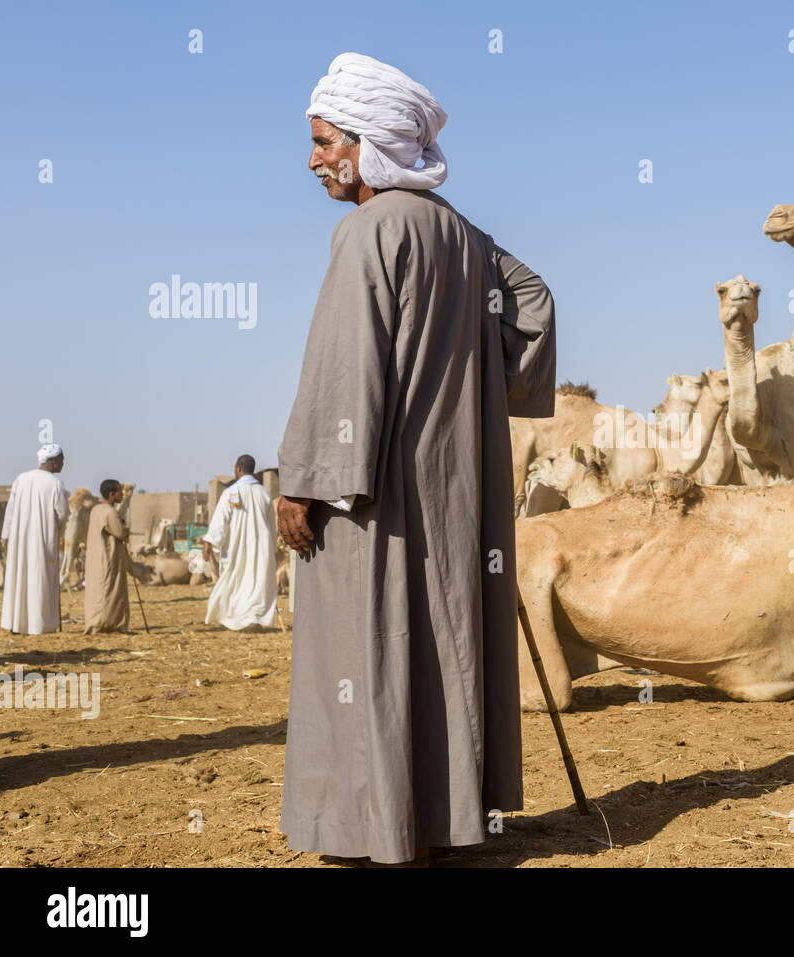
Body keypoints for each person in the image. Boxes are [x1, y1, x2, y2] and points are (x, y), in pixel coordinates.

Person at [276, 52, 556, 864]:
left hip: (376, 496)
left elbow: (344, 366)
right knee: (441, 644)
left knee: (367, 649)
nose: (314, 158)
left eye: (326, 141)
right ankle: (447, 817)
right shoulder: (465, 236)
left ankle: (372, 827)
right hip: (455, 491)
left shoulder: (365, 230)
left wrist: (305, 483)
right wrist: (479, 390)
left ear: (370, 144)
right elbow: (532, 304)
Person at [0, 444, 70, 635]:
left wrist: (6, 536)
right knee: (40, 580)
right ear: (53, 460)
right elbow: (63, 514)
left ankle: (16, 623)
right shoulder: (55, 484)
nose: (63, 463)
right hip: (42, 540)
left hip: (19, 541)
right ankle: (39, 625)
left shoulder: (21, 479)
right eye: (62, 459)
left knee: (19, 577)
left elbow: (11, 512)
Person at [203, 454, 277, 630]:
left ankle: (236, 619)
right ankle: (254, 617)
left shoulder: (230, 493)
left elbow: (219, 522)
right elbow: (272, 524)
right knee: (257, 581)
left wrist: (209, 542)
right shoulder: (264, 493)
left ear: (238, 469)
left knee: (236, 580)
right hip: (261, 548)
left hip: (237, 549)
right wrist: (272, 546)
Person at [83, 479, 138, 633]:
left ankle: (96, 623)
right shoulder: (110, 512)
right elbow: (120, 532)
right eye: (120, 492)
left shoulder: (95, 510)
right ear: (111, 494)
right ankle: (109, 624)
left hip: (96, 558)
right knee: (110, 591)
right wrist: (126, 528)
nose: (123, 494)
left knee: (97, 591)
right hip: (108, 558)